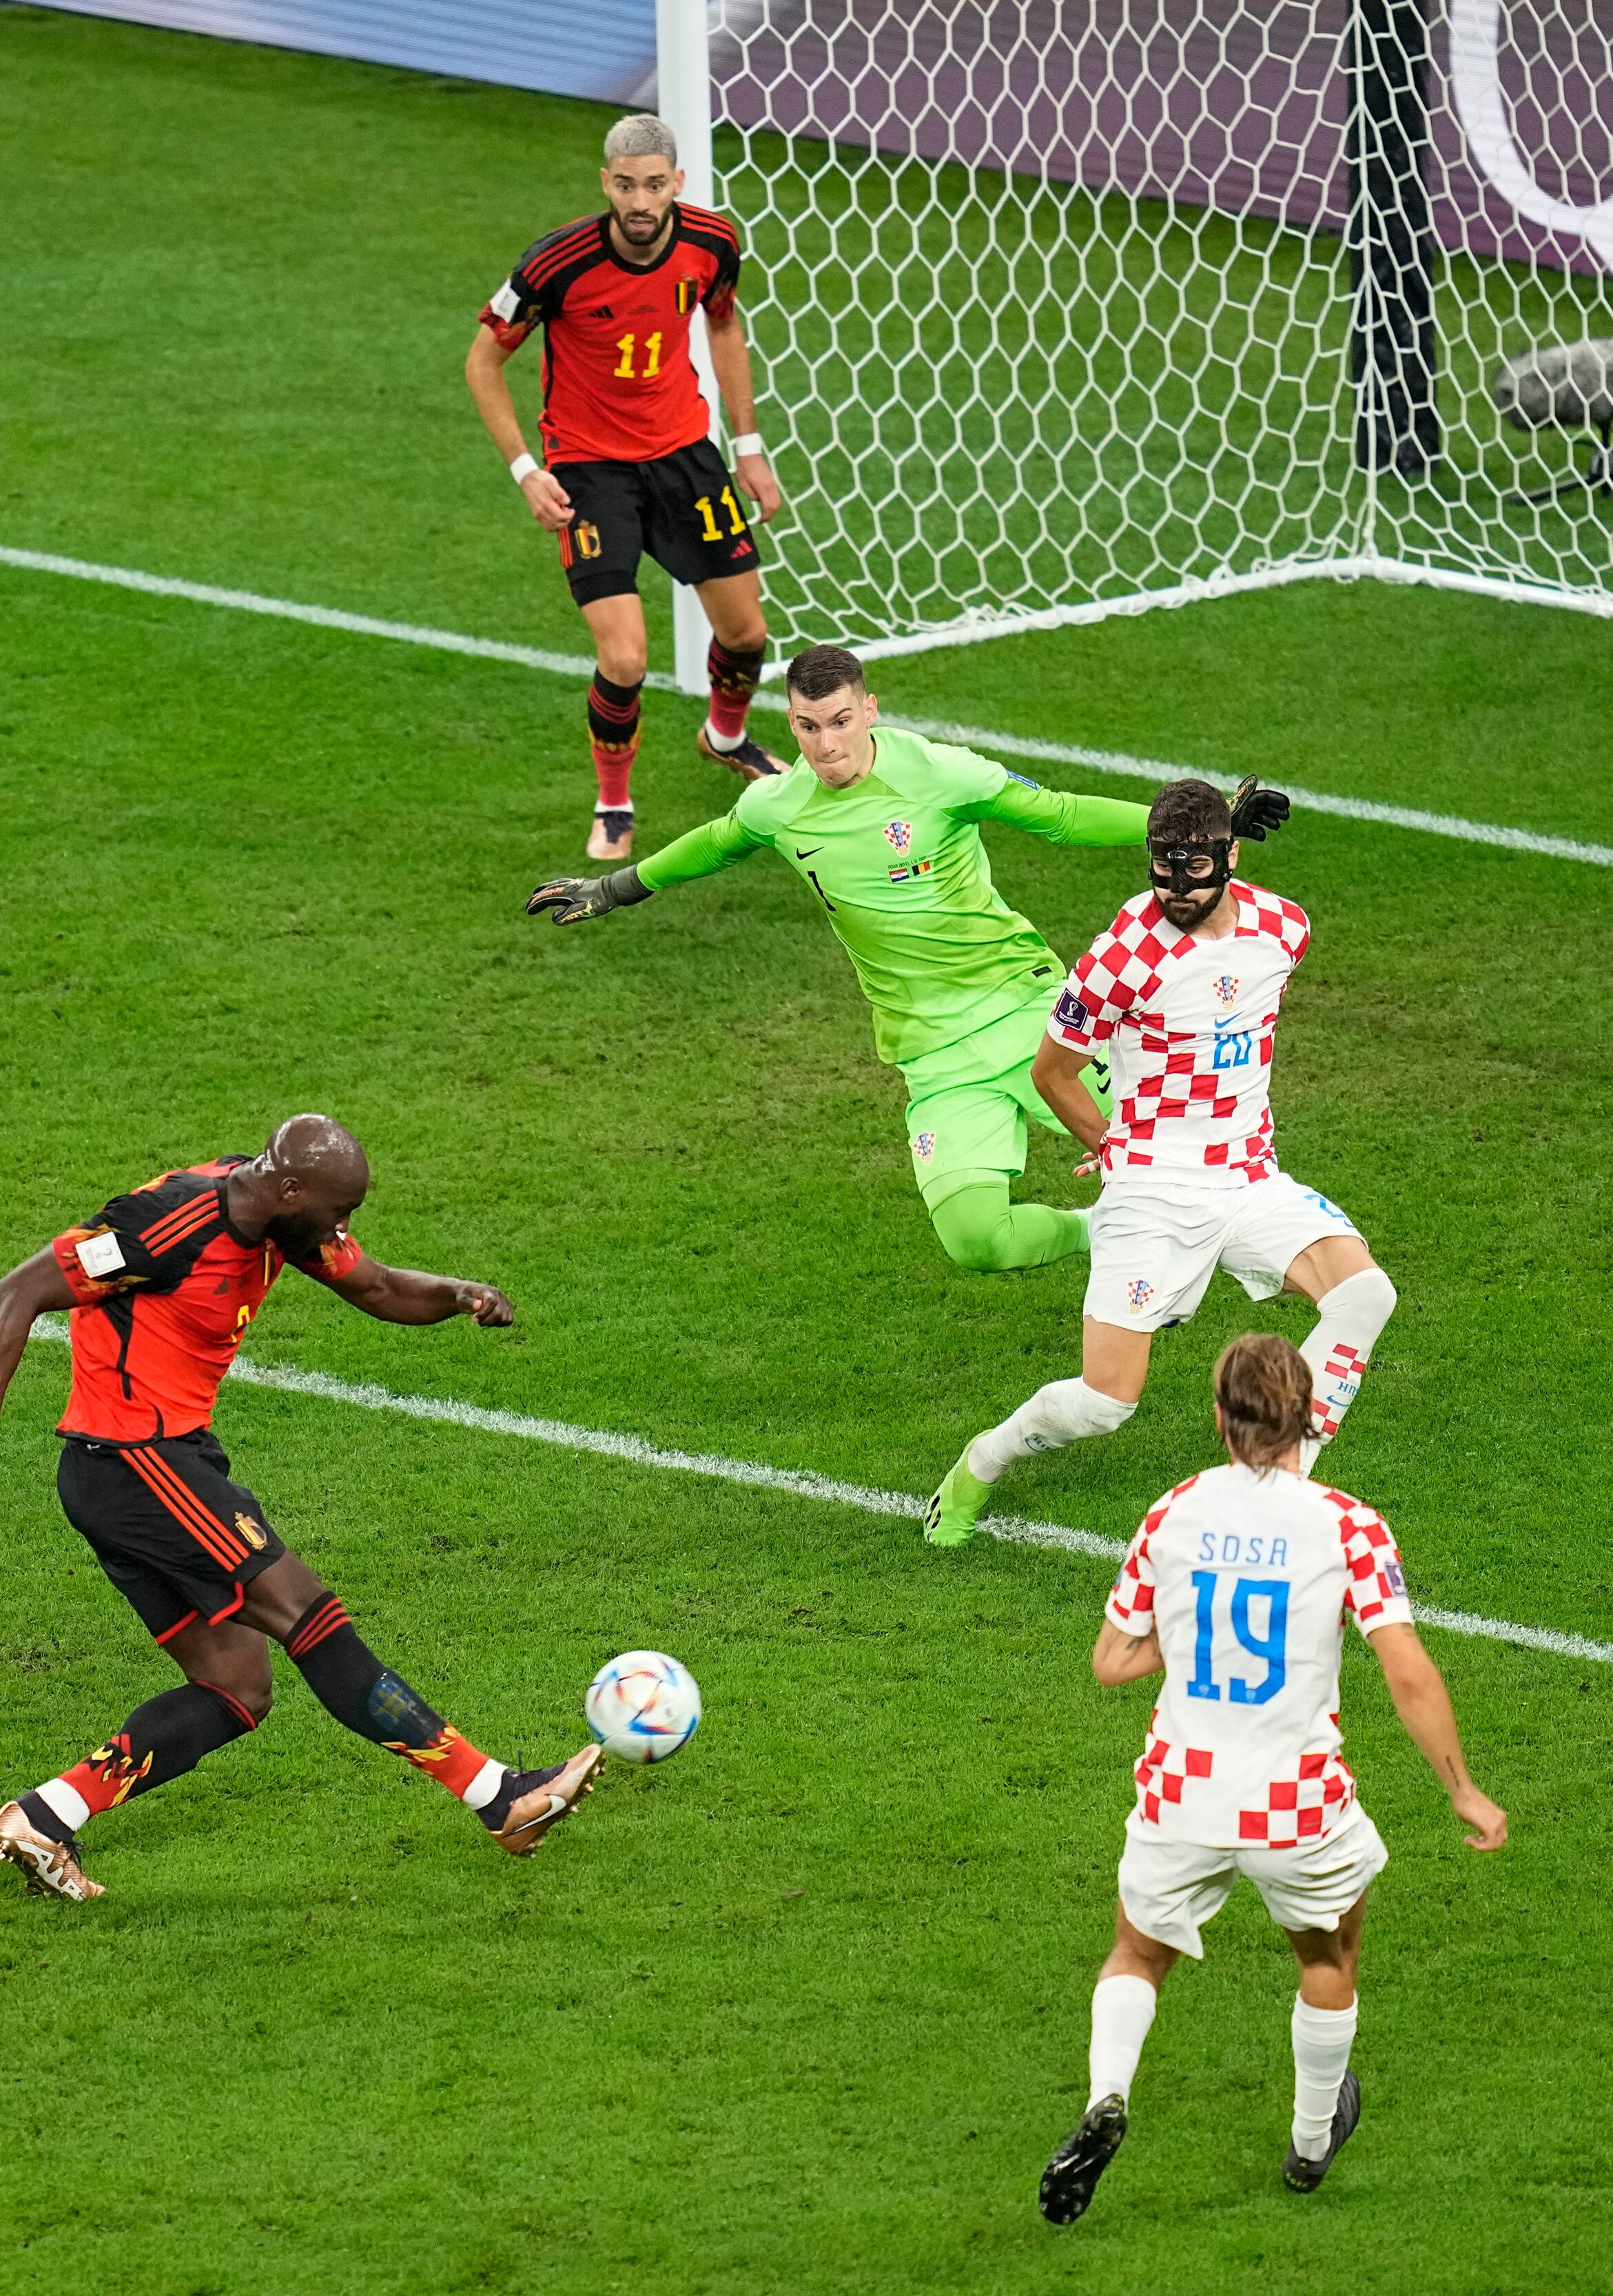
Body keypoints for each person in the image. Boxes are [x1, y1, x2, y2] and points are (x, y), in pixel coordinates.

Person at [0, 1115, 603, 1901]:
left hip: (138, 1471)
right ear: (289, 1190)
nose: (342, 1229)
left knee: (235, 1688)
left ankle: (44, 1817)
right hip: (138, 1465)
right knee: (308, 1615)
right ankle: (497, 1796)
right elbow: (15, 1293)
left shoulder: (284, 1220)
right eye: (337, 1211)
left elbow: (379, 1286)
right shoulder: (164, 1228)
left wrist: (459, 1294)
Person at [529, 645, 1284, 1275]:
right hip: (930, 1054)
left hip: (1025, 1013)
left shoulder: (938, 774)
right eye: (805, 726)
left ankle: (1302, 1266)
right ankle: (1107, 1230)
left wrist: (1205, 817)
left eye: (840, 722)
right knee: (977, 1241)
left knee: (1189, 1155)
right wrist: (614, 889)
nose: (825, 745)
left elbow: (1057, 814)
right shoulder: (778, 808)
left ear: (870, 711)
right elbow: (714, 843)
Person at [1038, 1332, 1505, 2224]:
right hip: (1296, 1804)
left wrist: (1191, 1630)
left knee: (1138, 1951)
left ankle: (1108, 2096)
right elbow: (1405, 1668)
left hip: (1182, 1791)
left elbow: (1111, 1661)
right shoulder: (1347, 1524)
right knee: (1329, 1955)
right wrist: (1461, 1789)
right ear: (1307, 1417)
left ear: (1219, 1418)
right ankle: (1310, 2141)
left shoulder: (1171, 1511)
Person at [924, 776, 1390, 1543]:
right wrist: (1113, 1149)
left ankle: (1280, 1479)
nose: (1175, 889)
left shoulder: (1283, 930)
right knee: (1106, 1402)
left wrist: (1228, 807)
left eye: (1195, 870)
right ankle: (983, 1459)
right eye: (1160, 869)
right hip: (1151, 1191)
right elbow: (1052, 1073)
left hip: (1247, 1176)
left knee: (1364, 1296)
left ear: (1230, 856)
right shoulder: (1117, 958)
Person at [469, 112, 787, 862]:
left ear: (676, 183)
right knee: (624, 659)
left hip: (684, 457)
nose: (639, 201)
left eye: (653, 185)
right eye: (624, 185)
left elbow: (723, 327)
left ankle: (725, 736)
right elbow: (482, 362)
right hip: (589, 471)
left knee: (746, 635)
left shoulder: (713, 242)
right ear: (604, 184)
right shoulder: (555, 265)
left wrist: (748, 449)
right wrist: (526, 470)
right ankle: (613, 804)